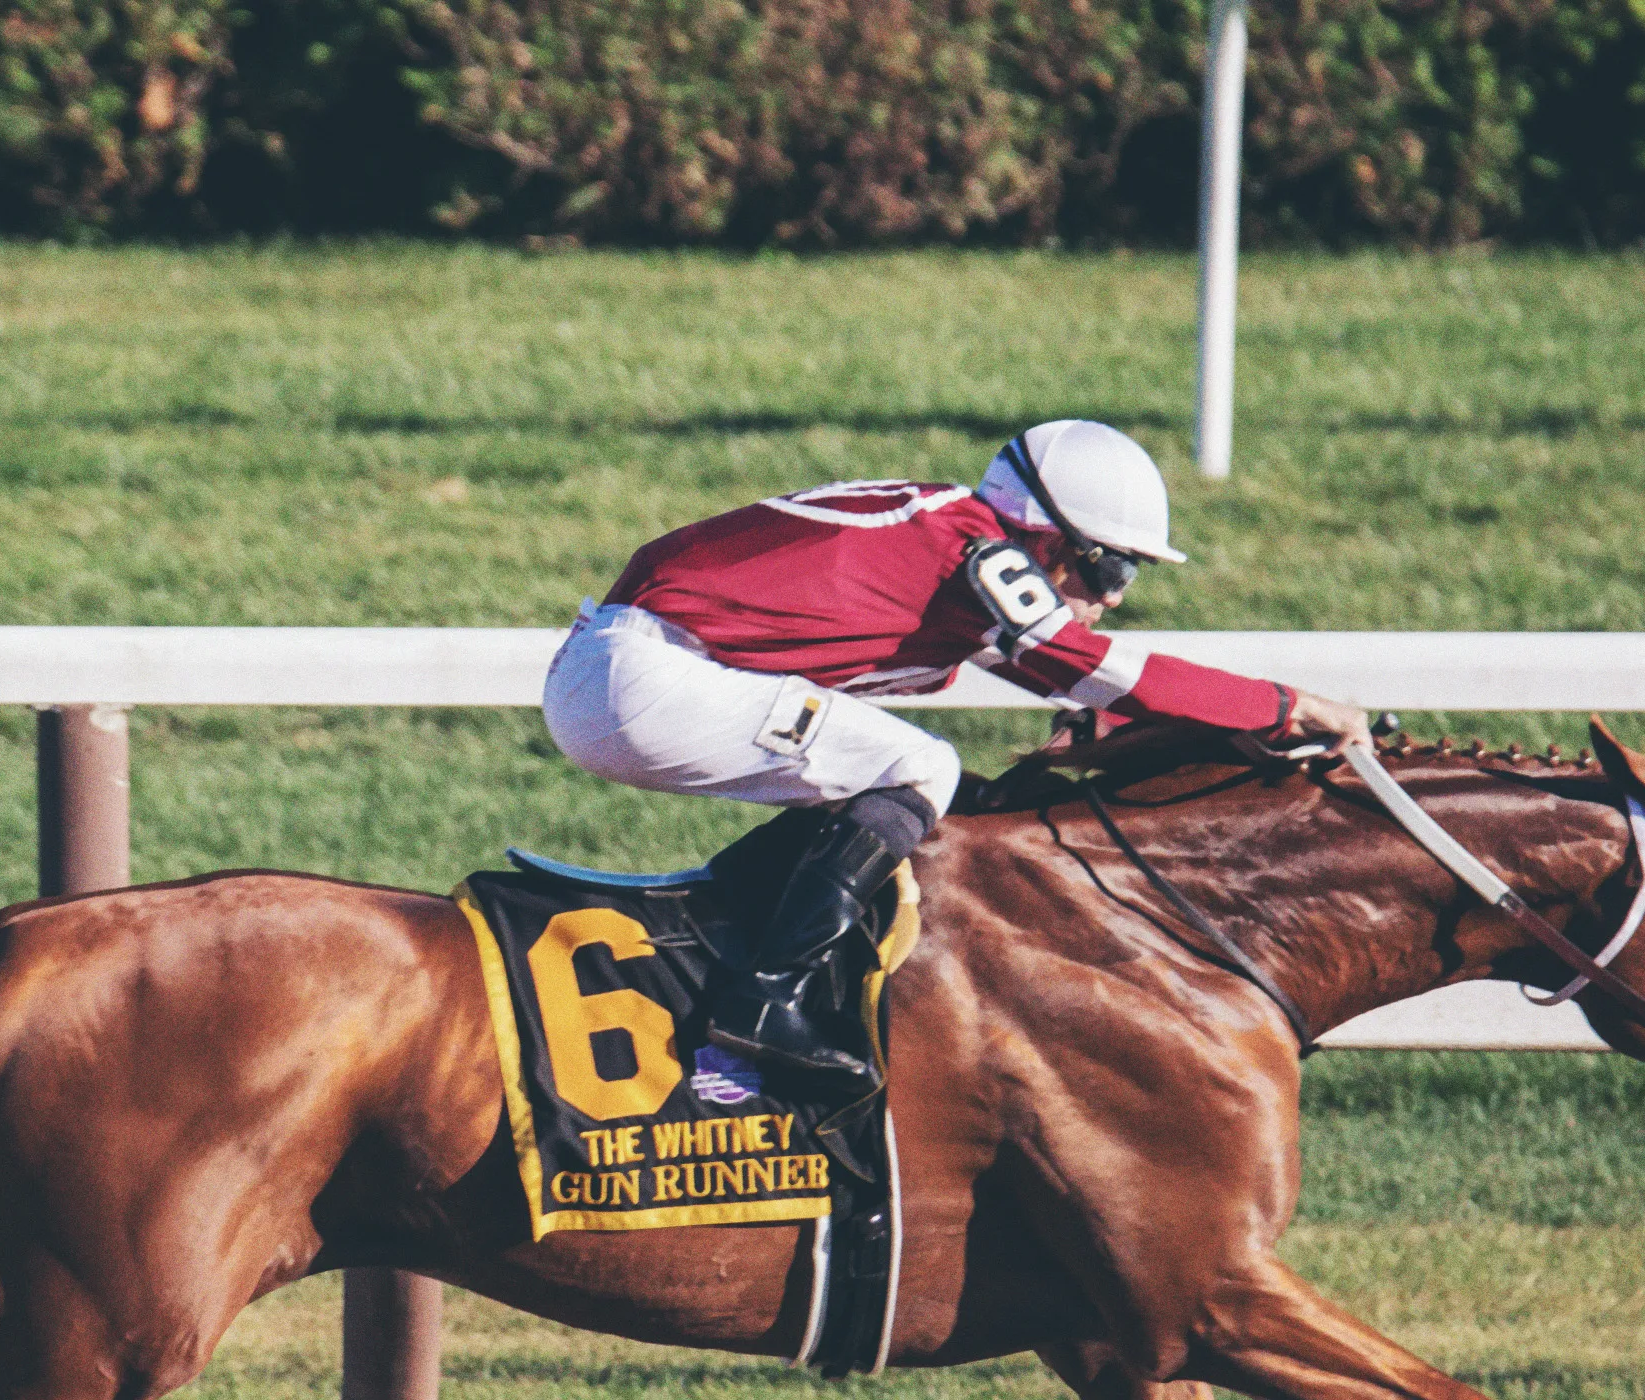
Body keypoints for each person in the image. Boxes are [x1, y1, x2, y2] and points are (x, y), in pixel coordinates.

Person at [542, 419, 1372, 1096]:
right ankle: (762, 1001)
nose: (1114, 591)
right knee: (922, 770)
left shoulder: (957, 549)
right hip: (643, 675)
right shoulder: (981, 545)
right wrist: (1285, 704)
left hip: (630, 667)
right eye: (1106, 562)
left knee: (937, 792)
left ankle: (760, 962)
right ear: (1045, 535)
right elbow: (1097, 667)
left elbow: (1079, 688)